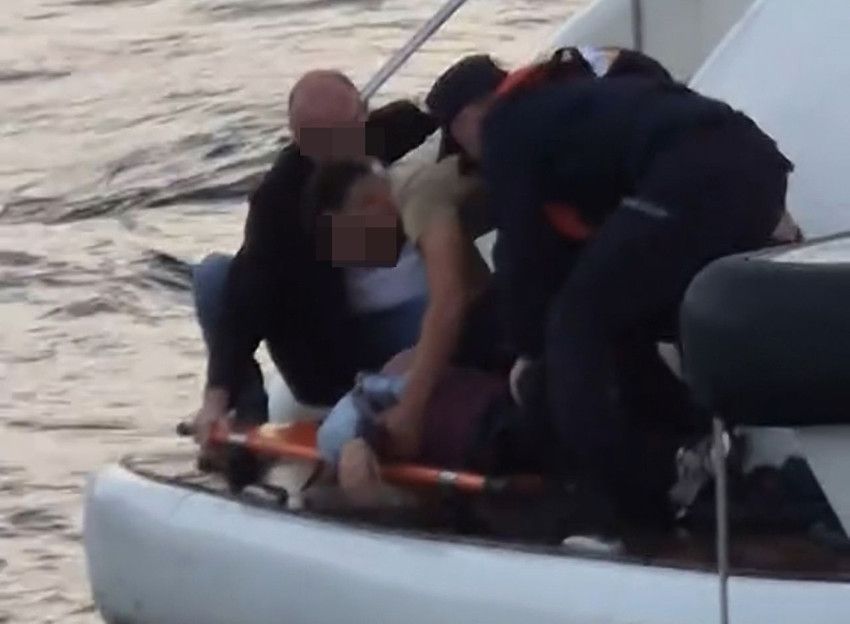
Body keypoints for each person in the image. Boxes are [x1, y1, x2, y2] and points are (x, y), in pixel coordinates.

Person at [478, 76, 794, 528]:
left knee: (577, 321)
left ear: (470, 116)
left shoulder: (503, 127)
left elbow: (521, 244)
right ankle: (696, 442)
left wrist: (529, 346)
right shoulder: (584, 98)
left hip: (692, 176)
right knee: (631, 311)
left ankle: (620, 497)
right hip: (758, 165)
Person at [191, 70, 437, 446]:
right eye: (317, 139)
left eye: (345, 131)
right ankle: (245, 413)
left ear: (364, 113)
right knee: (214, 275)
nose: (335, 148)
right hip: (342, 338)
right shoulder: (280, 195)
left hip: (415, 305)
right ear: (297, 137)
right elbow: (251, 286)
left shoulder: (404, 132)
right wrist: (216, 395)